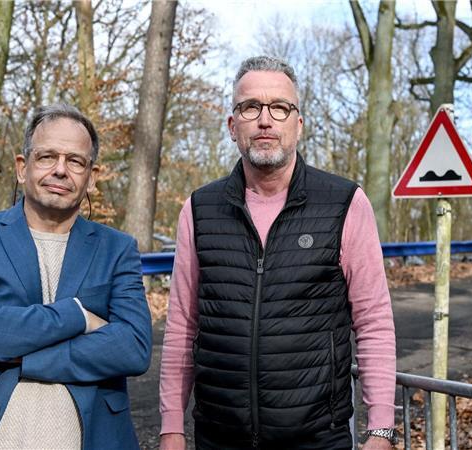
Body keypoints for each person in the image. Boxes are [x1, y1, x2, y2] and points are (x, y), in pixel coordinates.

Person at [159, 56, 398, 449]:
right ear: (233, 126)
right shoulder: (199, 209)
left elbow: (374, 323)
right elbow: (182, 326)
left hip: (318, 437)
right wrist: (171, 428)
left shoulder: (344, 204)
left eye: (280, 108)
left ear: (298, 124)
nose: (265, 120)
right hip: (219, 437)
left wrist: (381, 431)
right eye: (250, 107)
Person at [0, 104, 152, 450]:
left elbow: (133, 348)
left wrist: (24, 356)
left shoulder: (117, 249)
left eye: (75, 161)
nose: (61, 171)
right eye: (47, 157)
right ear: (22, 168)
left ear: (92, 178)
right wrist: (77, 316)